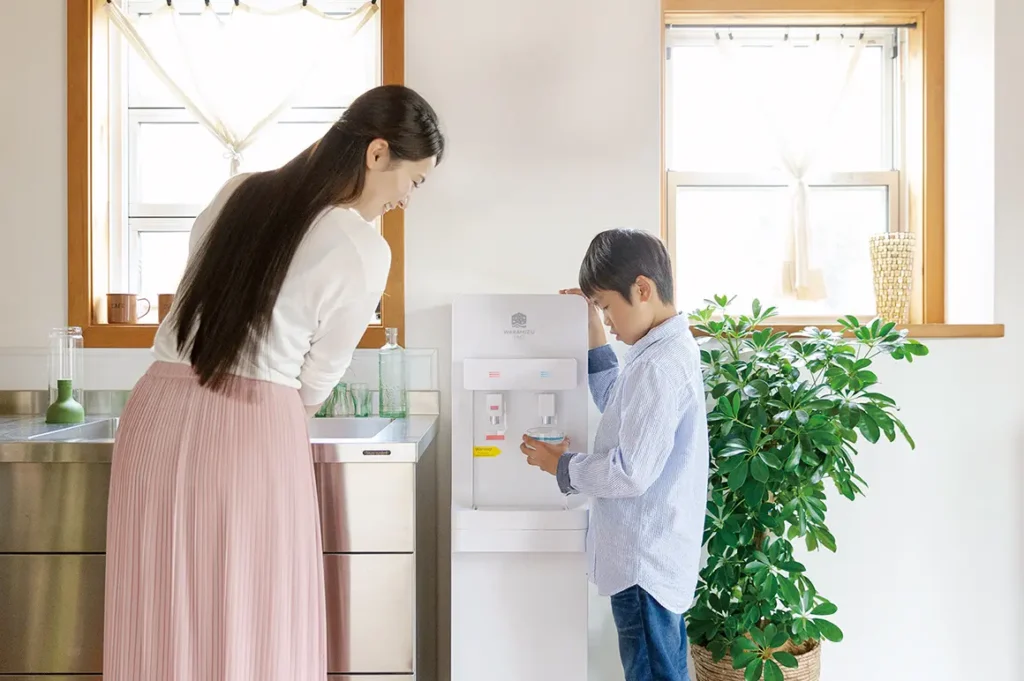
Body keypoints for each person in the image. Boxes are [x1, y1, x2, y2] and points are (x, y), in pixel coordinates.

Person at [103, 84, 445, 681]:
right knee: (252, 607)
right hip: (250, 423)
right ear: (377, 153)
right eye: (413, 181)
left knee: (159, 600)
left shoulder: (237, 191)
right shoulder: (361, 248)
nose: (407, 200)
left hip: (154, 409)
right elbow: (317, 381)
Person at [520, 228, 710, 681]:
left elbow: (630, 474)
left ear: (642, 289)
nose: (606, 320)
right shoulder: (661, 352)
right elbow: (618, 404)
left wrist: (561, 466)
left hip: (643, 566)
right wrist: (591, 328)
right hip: (655, 560)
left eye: (606, 307)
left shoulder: (659, 365)